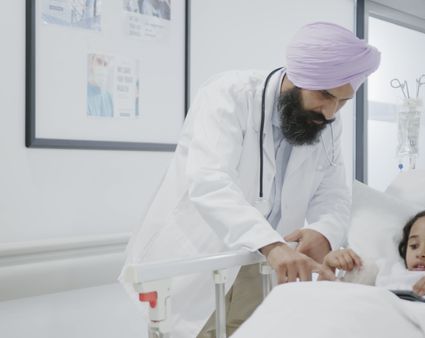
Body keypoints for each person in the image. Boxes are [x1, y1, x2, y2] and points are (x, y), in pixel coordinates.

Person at [120, 22, 380, 338]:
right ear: (298, 77)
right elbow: (209, 181)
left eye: (342, 101)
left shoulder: (328, 123)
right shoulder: (230, 95)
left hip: (265, 266)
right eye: (325, 95)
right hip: (205, 256)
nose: (330, 112)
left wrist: (322, 231)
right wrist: (270, 244)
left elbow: (334, 194)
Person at [323, 208, 425, 333]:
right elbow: (331, 301)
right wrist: (329, 264)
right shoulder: (387, 269)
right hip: (376, 319)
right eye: (414, 245)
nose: (421, 253)